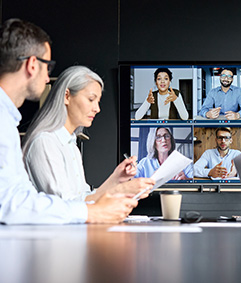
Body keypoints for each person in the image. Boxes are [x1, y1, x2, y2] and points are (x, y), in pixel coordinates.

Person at [0, 18, 153, 224]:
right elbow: (17, 203)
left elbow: (70, 198)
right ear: (33, 65)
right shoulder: (39, 139)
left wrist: (116, 182)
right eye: (48, 67)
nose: (47, 79)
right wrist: (112, 197)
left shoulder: (68, 142)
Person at [22, 65, 153, 202]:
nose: (97, 109)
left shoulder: (71, 146)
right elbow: (65, 206)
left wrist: (116, 179)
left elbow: (85, 199)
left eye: (98, 101)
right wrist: (120, 190)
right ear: (66, 96)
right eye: (91, 99)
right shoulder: (44, 142)